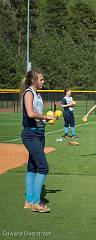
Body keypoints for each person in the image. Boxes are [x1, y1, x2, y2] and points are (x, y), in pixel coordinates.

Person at [20, 70, 56, 213]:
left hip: (39, 133)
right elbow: (30, 113)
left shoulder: (37, 94)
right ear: (34, 81)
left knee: (33, 167)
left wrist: (49, 118)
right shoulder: (29, 93)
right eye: (41, 79)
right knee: (43, 167)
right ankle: (36, 202)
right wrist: (46, 118)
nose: (43, 81)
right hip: (30, 134)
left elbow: (37, 115)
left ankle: (29, 201)